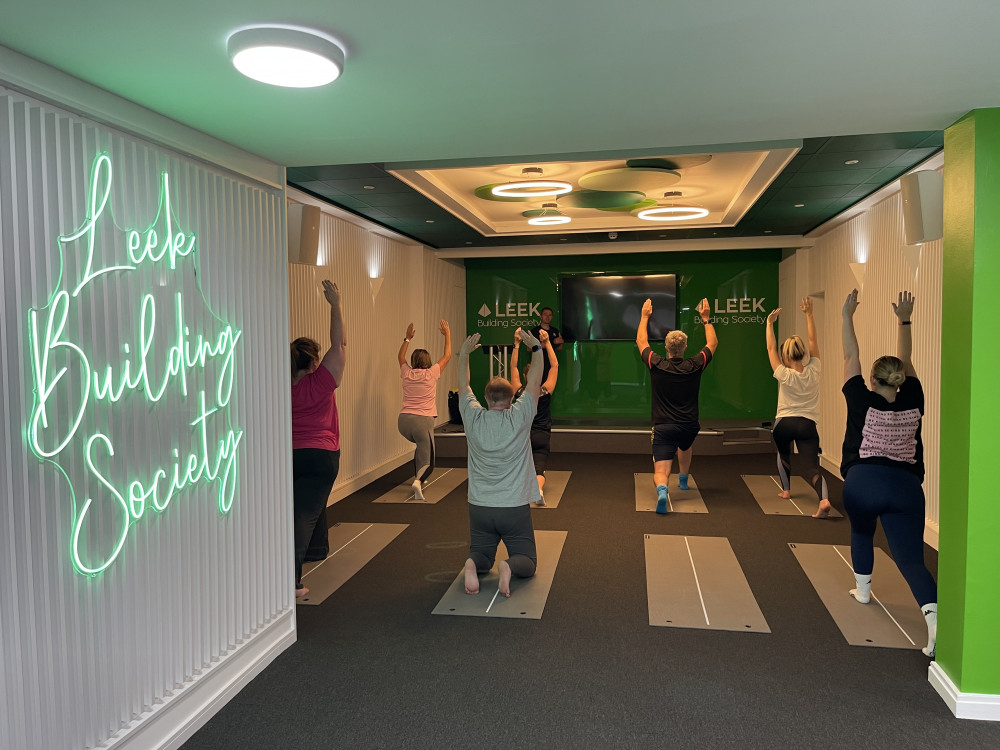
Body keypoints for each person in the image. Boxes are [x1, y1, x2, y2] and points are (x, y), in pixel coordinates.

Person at [841, 289, 937, 657]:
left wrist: (847, 316)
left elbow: (852, 354)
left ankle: (863, 591)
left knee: (862, 531)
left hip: (863, 482)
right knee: (911, 559)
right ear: (898, 380)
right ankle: (933, 625)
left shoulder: (859, 397)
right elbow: (907, 358)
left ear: (873, 380)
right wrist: (905, 319)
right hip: (906, 487)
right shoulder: (914, 395)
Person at [458, 327, 543, 598]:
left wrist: (464, 355)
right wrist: (537, 348)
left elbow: (463, 385)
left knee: (481, 552)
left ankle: (472, 565)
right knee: (527, 561)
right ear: (511, 400)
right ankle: (507, 566)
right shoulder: (519, 416)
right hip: (513, 507)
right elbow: (534, 382)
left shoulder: (472, 417)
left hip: (480, 506)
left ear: (486, 398)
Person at [290, 280, 346, 598]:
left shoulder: (280, 386)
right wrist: (335, 305)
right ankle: (292, 583)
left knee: (302, 509)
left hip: (290, 455)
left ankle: (315, 553)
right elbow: (339, 345)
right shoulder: (321, 381)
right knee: (306, 514)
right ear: (314, 363)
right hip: (321, 455)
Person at [637, 297, 717, 514]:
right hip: (690, 425)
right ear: (685, 347)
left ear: (666, 347)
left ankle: (663, 488)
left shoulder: (657, 364)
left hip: (664, 427)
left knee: (661, 469)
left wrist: (644, 317)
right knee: (685, 446)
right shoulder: (695, 364)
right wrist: (706, 319)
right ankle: (683, 480)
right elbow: (712, 344)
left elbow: (641, 342)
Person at [765, 297, 832, 518]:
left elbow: (770, 346)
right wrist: (809, 314)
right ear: (803, 354)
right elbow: (813, 339)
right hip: (807, 425)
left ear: (785, 356)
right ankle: (823, 500)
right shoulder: (815, 369)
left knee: (783, 453)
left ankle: (786, 491)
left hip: (784, 423)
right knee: (812, 467)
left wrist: (769, 324)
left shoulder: (783, 373)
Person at [397, 319, 451, 500]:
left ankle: (417, 476)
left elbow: (400, 357)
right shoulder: (431, 373)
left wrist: (407, 338)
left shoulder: (407, 372)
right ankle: (418, 481)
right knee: (430, 462)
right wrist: (447, 334)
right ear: (427, 361)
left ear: (414, 361)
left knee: (420, 447)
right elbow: (448, 355)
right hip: (422, 421)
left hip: (403, 422)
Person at [510, 327, 559, 505]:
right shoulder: (545, 391)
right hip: (542, 435)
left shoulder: (519, 390)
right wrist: (547, 344)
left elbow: (513, 366)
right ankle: (537, 490)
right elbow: (554, 366)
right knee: (539, 469)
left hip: (522, 436)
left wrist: (516, 344)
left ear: (525, 376)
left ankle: (516, 493)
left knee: (520, 466)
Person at [531, 306, 563, 381]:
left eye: (550, 315)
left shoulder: (555, 331)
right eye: (545, 314)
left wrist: (561, 342)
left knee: (550, 386)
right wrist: (541, 346)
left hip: (552, 365)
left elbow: (559, 349)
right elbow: (529, 348)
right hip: (538, 364)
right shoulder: (535, 331)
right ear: (541, 316)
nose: (548, 317)